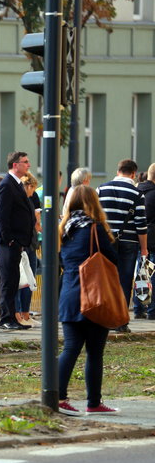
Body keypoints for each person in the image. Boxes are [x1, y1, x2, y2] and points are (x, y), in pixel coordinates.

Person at [57, 185, 121, 415]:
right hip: (94, 295)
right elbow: (112, 258)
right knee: (94, 351)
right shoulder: (95, 228)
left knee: (71, 348)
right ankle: (93, 403)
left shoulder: (64, 229)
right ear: (94, 203)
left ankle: (57, 396)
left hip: (70, 295)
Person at [97, 158, 147, 333]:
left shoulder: (101, 189)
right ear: (133, 173)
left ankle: (103, 317)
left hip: (106, 241)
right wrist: (144, 249)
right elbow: (141, 224)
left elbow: (95, 217)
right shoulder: (137, 193)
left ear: (118, 171)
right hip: (129, 242)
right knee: (124, 280)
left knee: (105, 279)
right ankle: (120, 321)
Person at [0, 151, 36, 331]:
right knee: (9, 281)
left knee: (13, 280)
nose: (28, 165)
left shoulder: (17, 184)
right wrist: (9, 239)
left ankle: (13, 317)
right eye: (25, 162)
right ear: (15, 165)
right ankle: (6, 318)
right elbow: (2, 215)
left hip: (17, 241)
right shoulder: (6, 185)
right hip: (8, 242)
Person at [17, 172, 41, 326]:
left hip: (27, 242)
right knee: (24, 278)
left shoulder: (24, 198)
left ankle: (24, 314)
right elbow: (37, 222)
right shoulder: (26, 200)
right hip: (27, 242)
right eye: (33, 189)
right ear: (29, 186)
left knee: (26, 279)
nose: (33, 193)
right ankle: (22, 314)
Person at [133, 163, 155, 319]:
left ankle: (138, 308)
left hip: (136, 237)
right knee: (152, 274)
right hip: (153, 239)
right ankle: (152, 310)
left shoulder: (136, 191)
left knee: (141, 273)